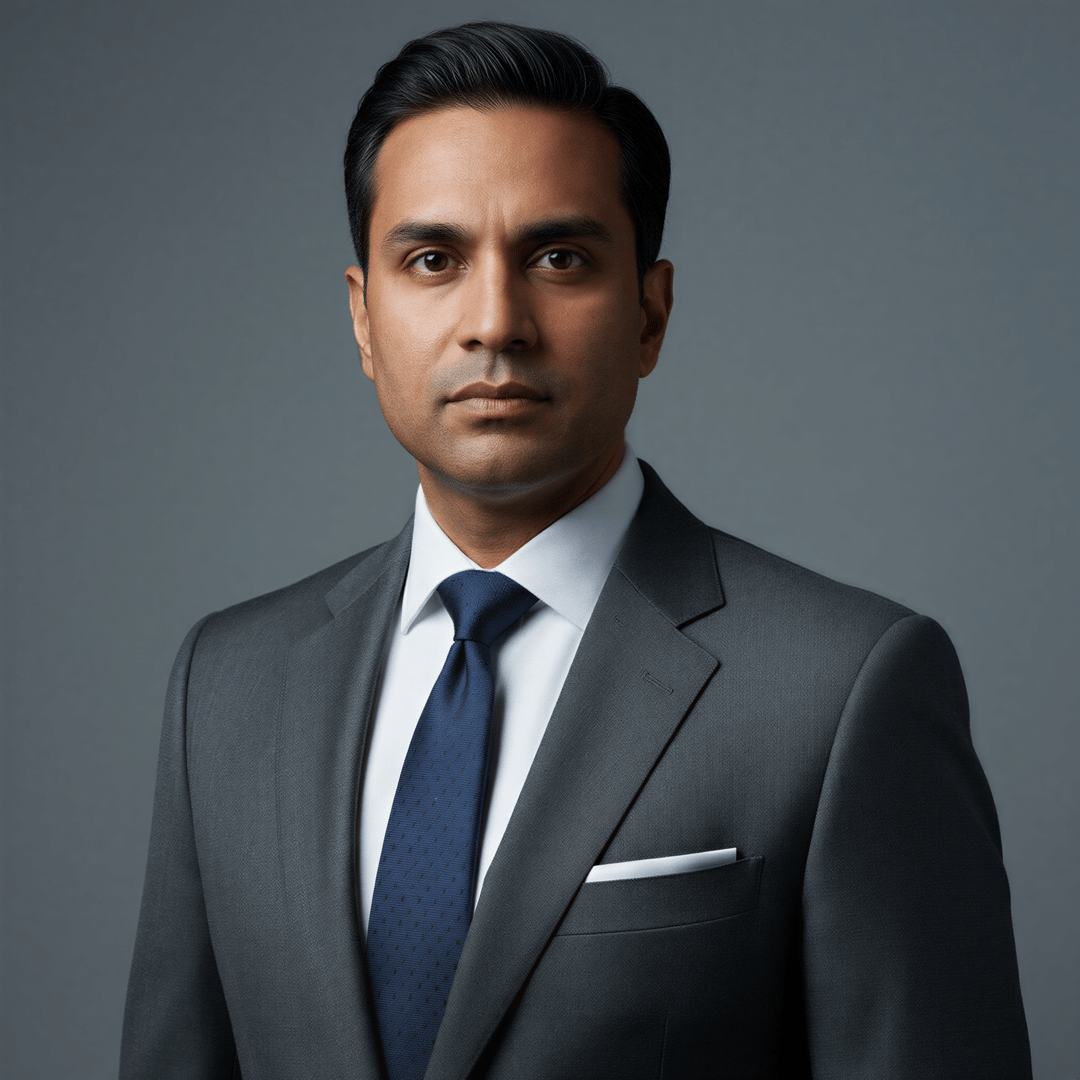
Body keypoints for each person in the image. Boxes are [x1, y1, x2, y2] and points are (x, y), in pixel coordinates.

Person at [120, 21, 1031, 1080]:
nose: (495, 323)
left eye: (559, 258)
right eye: (433, 260)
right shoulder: (227, 686)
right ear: (364, 318)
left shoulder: (841, 690)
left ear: (649, 313)